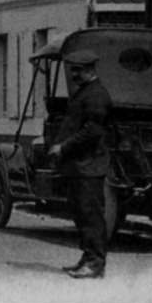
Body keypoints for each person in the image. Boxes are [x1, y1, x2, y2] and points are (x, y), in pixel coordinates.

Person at [48, 50, 112, 279]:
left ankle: (96, 263)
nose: (74, 74)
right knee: (80, 212)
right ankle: (87, 258)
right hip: (79, 166)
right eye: (73, 69)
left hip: (89, 166)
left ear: (91, 70)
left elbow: (92, 132)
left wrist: (63, 147)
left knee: (91, 214)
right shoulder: (85, 92)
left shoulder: (96, 95)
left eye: (79, 70)